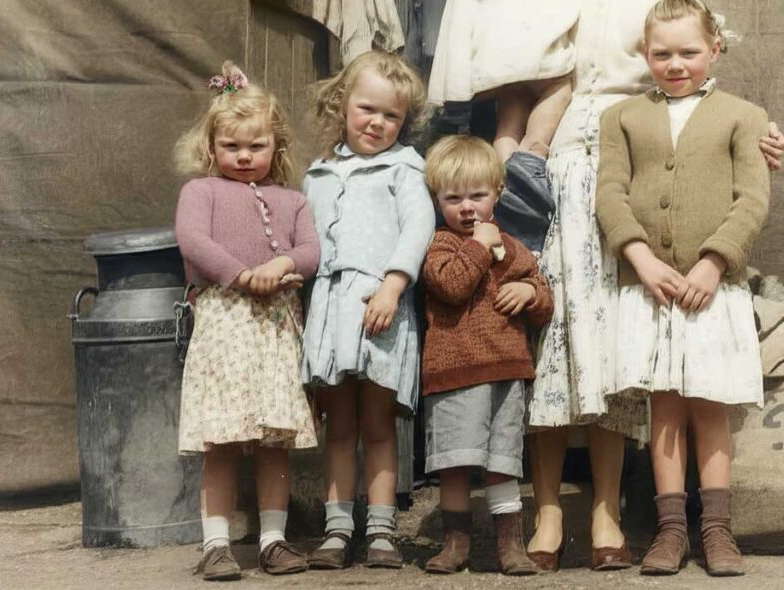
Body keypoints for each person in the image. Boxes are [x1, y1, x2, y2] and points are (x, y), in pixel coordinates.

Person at [525, 0, 784, 572]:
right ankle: (549, 509)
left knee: (623, 347)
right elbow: (515, 84)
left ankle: (611, 510)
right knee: (554, 339)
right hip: (559, 167)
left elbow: (694, 78)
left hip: (643, 169)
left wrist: (755, 135)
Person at [596, 0, 768, 576]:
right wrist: (639, 256)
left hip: (710, 288)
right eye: (662, 53)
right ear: (645, 54)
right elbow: (611, 193)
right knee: (664, 407)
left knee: (708, 404)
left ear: (714, 49)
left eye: (689, 52)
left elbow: (752, 199)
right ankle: (670, 532)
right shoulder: (620, 117)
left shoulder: (744, 117)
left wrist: (715, 261)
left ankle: (717, 531)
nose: (676, 64)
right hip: (652, 286)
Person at [174, 62, 321, 580]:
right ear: (211, 147)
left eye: (255, 146)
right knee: (222, 438)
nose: (243, 156)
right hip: (226, 321)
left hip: (276, 329)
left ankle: (273, 541)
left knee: (273, 439)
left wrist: (282, 264)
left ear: (275, 148)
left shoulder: (294, 200)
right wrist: (241, 275)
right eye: (231, 146)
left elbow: (310, 251)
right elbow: (194, 242)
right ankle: (216, 544)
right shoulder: (201, 192)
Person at [301, 50, 436, 569]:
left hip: (380, 306)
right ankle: (337, 531)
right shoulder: (318, 174)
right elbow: (308, 244)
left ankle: (381, 530)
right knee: (339, 425)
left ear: (404, 122)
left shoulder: (404, 168)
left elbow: (417, 229)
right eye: (367, 109)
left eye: (391, 116)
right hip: (331, 309)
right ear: (342, 104)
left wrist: (392, 286)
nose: (377, 123)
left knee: (377, 424)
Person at [428, 0, 581, 252]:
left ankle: (506, 178)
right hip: (531, 57)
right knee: (559, 89)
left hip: (513, 64)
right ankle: (533, 157)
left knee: (508, 122)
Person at [418, 135, 553, 576]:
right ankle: (456, 543)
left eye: (477, 195)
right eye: (453, 198)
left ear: (498, 193)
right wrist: (479, 245)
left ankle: (509, 545)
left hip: (506, 372)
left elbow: (546, 300)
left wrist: (529, 291)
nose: (467, 207)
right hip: (454, 372)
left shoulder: (514, 248)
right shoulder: (440, 245)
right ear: (438, 200)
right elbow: (452, 286)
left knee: (503, 461)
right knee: (455, 460)